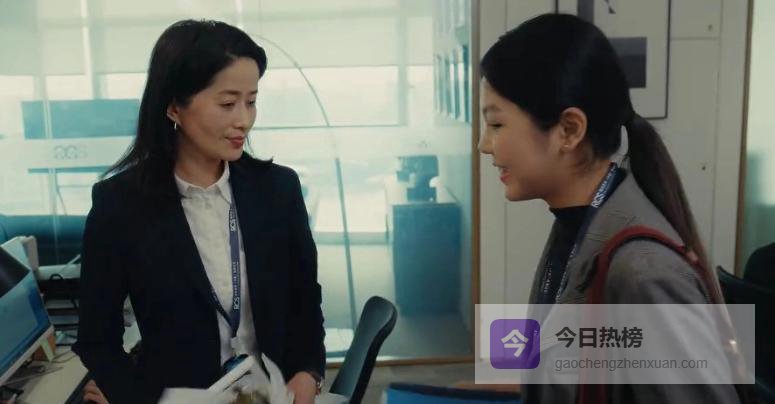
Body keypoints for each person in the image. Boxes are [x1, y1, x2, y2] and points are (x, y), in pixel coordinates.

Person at [478, 14, 742, 403]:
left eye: (496, 125)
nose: (484, 145)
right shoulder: (578, 223)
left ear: (569, 130)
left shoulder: (642, 271)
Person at [73, 20, 324, 404]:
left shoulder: (278, 190)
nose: (244, 120)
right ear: (174, 106)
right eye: (227, 103)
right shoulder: (120, 205)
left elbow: (305, 301)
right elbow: (97, 339)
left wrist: (309, 374)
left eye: (251, 101)